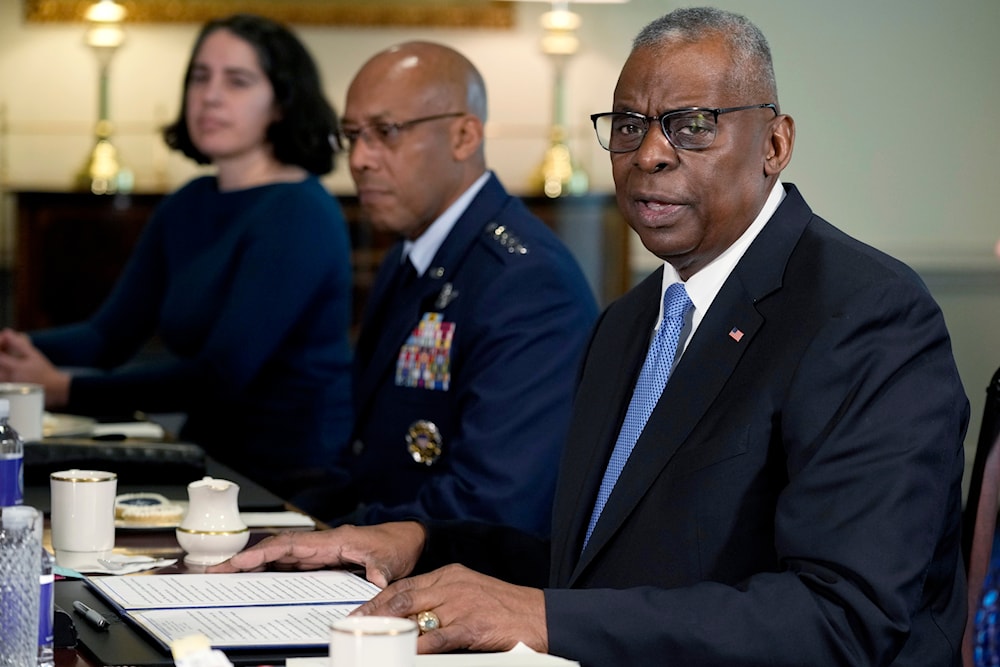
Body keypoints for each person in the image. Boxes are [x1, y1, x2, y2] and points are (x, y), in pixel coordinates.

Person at [214, 8, 969, 666]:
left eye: (693, 125)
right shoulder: (630, 321)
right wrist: (417, 540)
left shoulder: (867, 313)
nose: (650, 153)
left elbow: (842, 619)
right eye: (630, 125)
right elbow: (591, 571)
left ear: (775, 143)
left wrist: (540, 617)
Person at [0, 14, 354, 498]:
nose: (209, 95)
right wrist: (14, 348)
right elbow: (107, 336)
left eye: (237, 81)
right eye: (199, 77)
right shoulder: (189, 202)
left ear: (281, 103)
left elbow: (221, 376)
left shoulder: (299, 210)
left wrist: (62, 387)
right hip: (203, 463)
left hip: (289, 481)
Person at [291, 41, 597, 536]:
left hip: (460, 580)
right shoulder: (410, 255)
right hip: (389, 554)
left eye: (386, 133)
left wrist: (341, 537)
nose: (361, 159)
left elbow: (495, 504)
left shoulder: (526, 281)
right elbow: (367, 461)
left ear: (463, 136)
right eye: (352, 136)